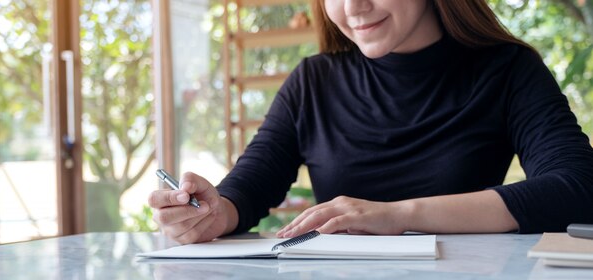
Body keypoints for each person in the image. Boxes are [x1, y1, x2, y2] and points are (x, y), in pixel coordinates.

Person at [149, 0, 593, 244]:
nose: (353, 7)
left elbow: (578, 186)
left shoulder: (508, 70)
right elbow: (249, 188)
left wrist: (400, 215)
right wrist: (211, 214)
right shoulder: (313, 81)